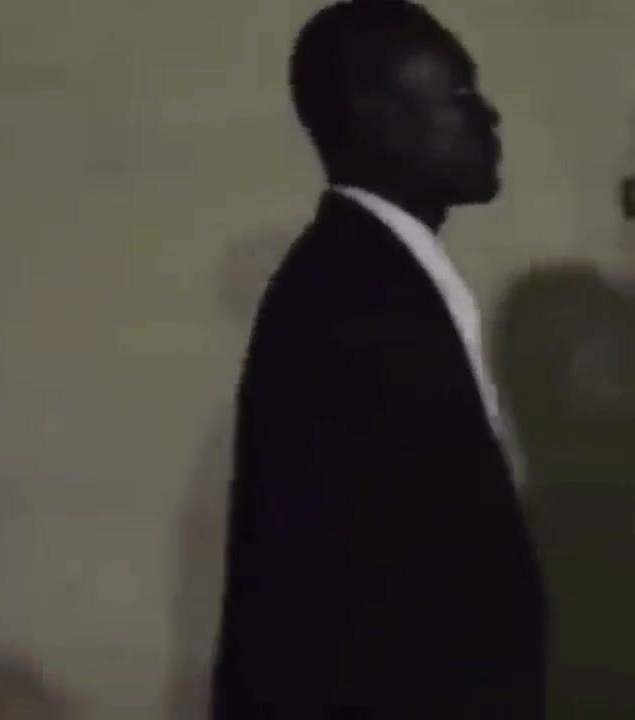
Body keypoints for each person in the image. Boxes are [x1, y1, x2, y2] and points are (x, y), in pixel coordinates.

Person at [210, 1, 546, 716]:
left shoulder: (371, 275)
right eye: (460, 95)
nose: (488, 117)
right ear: (379, 119)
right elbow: (393, 592)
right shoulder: (359, 300)